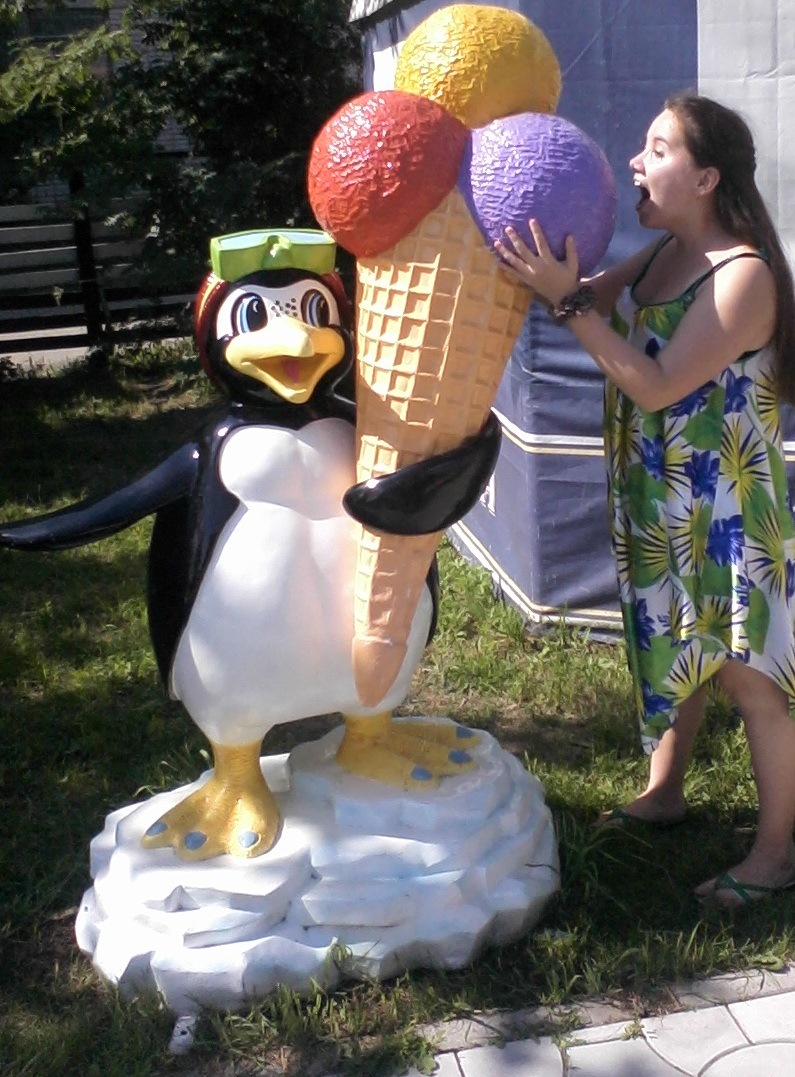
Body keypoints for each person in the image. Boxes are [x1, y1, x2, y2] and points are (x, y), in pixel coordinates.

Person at [495, 91, 795, 908]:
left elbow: (657, 383)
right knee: (677, 641)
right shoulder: (662, 252)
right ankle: (664, 791)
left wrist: (568, 301)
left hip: (725, 508)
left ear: (704, 179)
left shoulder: (741, 274)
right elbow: (588, 301)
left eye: (656, 150)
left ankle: (775, 853)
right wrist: (547, 265)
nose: (634, 160)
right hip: (661, 493)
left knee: (749, 678)